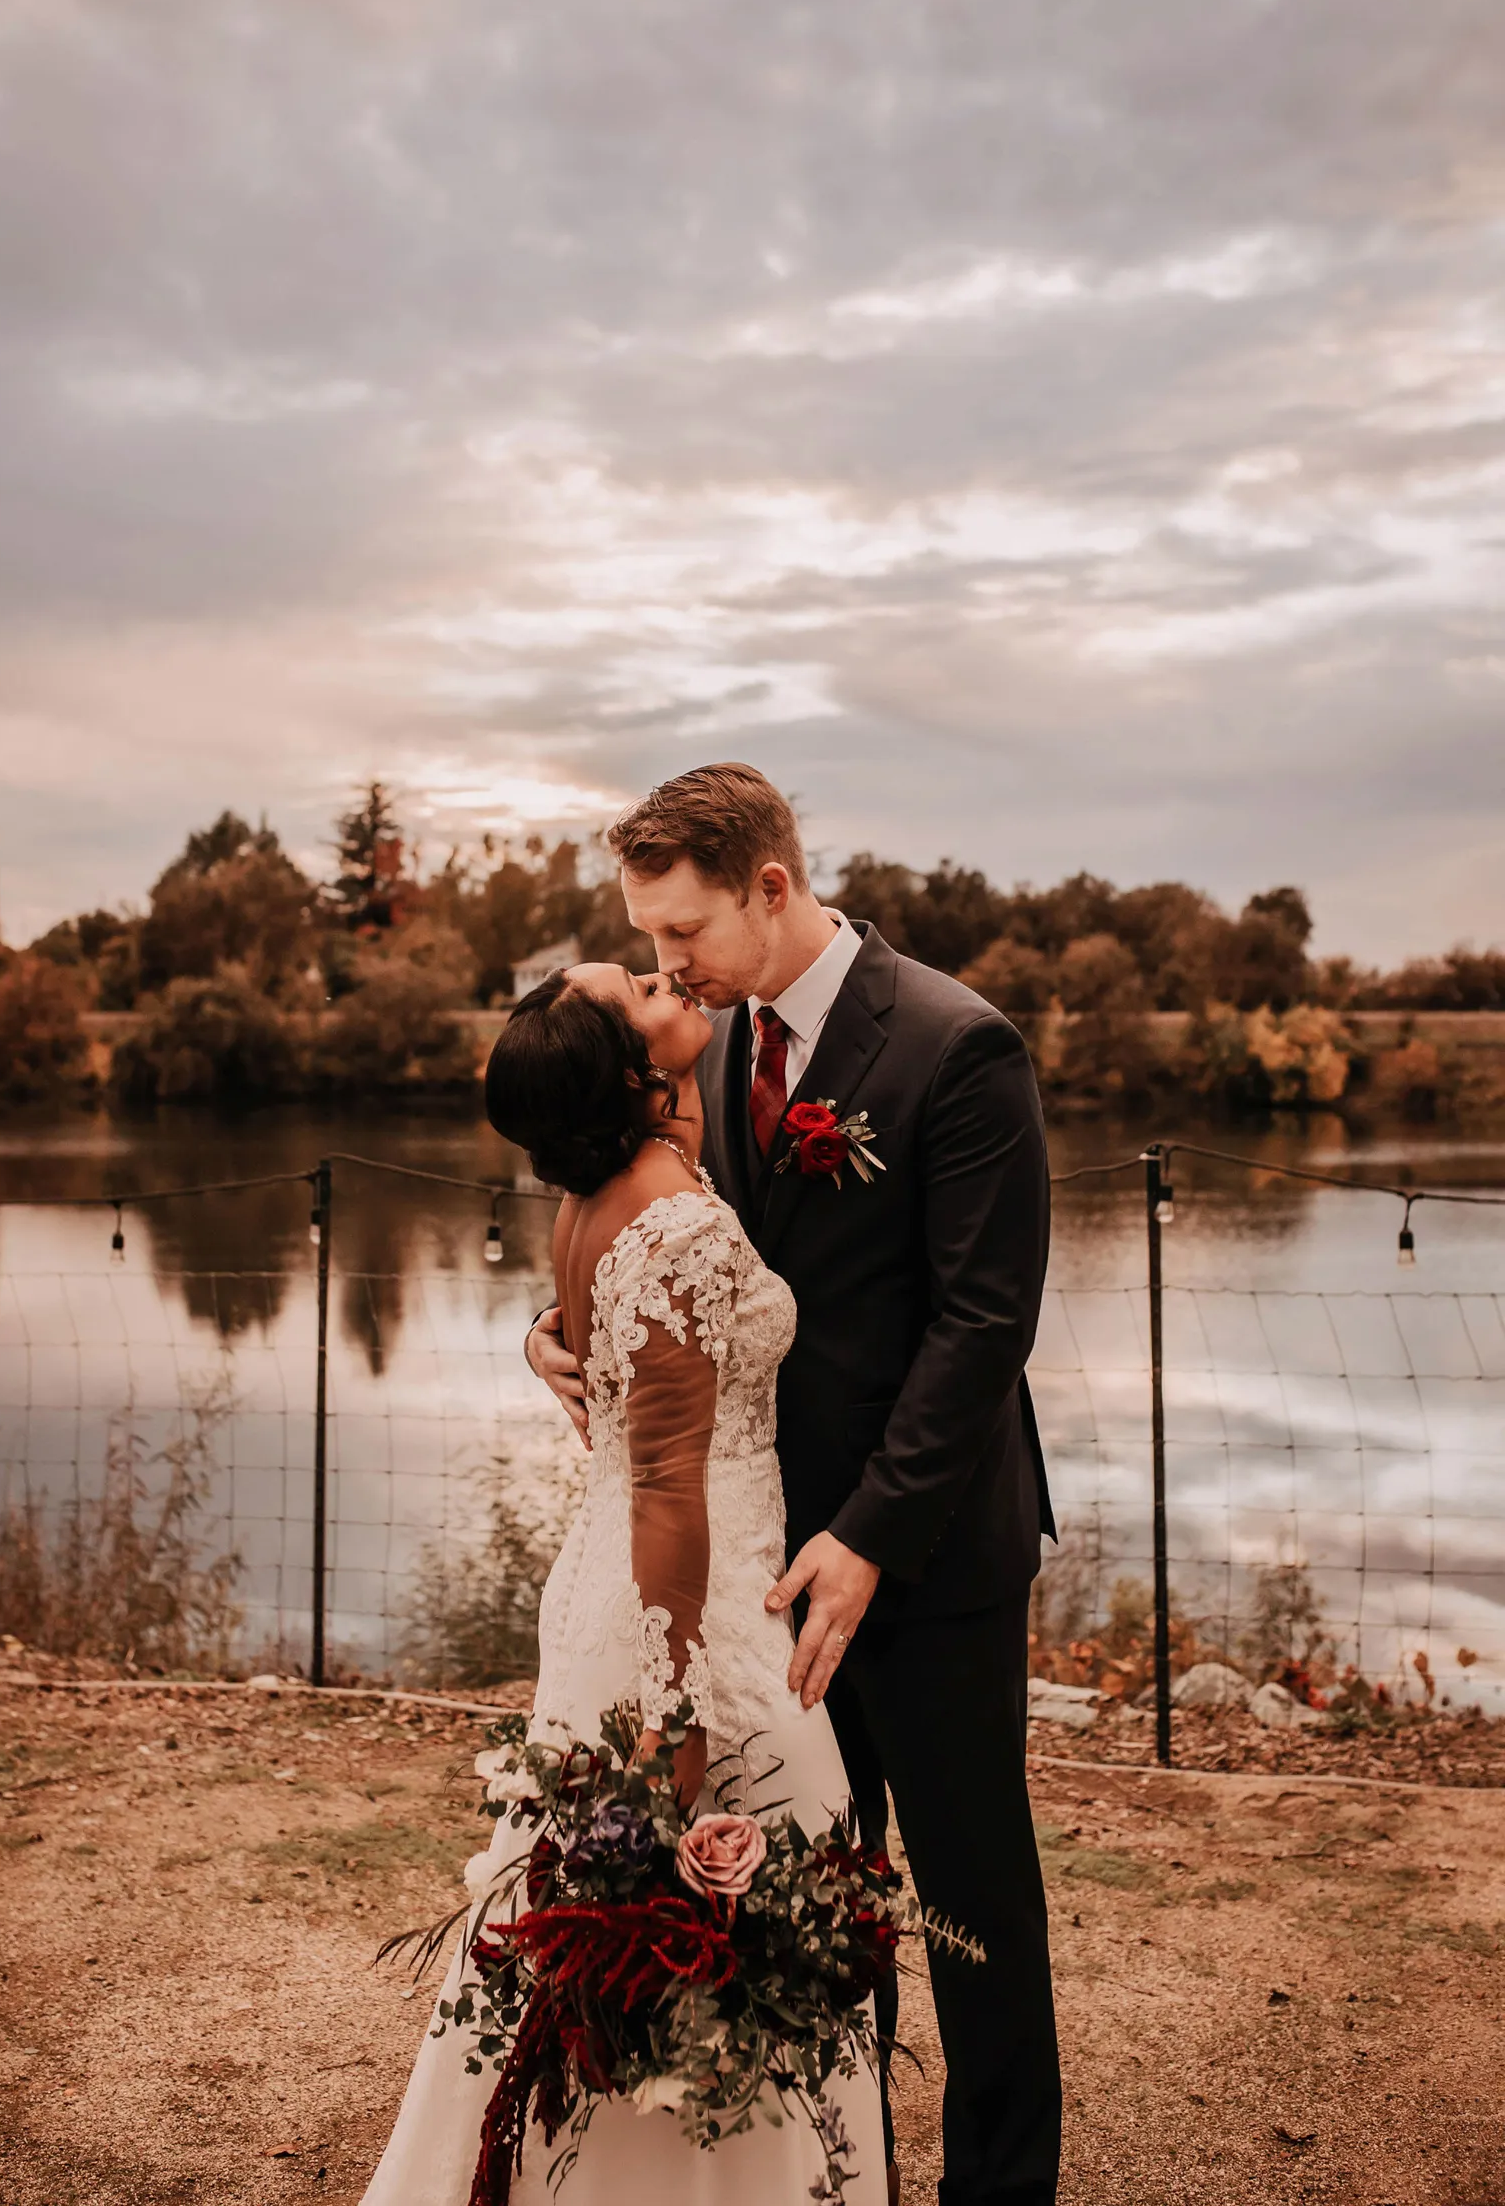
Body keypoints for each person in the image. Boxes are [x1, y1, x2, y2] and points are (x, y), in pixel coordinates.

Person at [527, 764, 1061, 2206]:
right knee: (825, 1902)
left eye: (683, 931)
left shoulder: (961, 1046)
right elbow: (649, 1234)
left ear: (773, 884)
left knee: (971, 1904)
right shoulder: (692, 1047)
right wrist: (555, 1333)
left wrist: (873, 1535)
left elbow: (982, 1326)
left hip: (928, 1555)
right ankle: (850, 2180)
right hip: (758, 1567)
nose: (663, 965)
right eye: (646, 939)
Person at [360, 955, 887, 2206]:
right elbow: (660, 1479)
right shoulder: (677, 1223)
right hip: (690, 1605)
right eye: (637, 986)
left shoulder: (601, 1193)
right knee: (715, 1894)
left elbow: (602, 1355)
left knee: (628, 1908)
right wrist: (674, 1715)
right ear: (634, 1071)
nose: (663, 973)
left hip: (639, 1578)